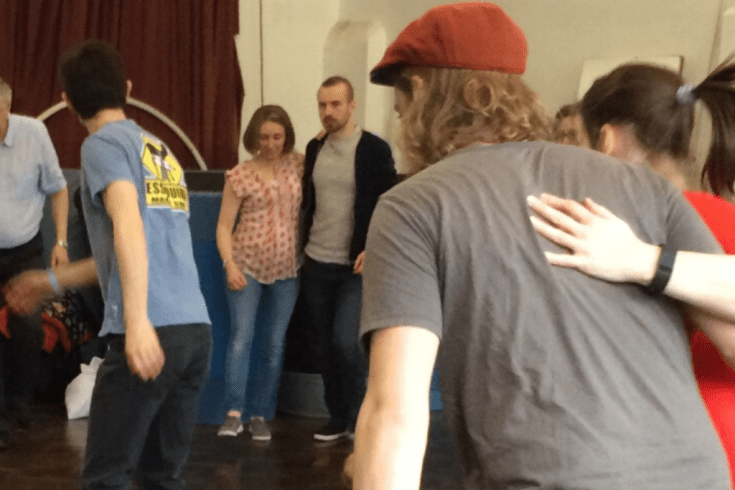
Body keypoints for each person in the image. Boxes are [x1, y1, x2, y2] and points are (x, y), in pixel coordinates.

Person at [350, 3, 734, 489]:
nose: (403, 123)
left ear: (421, 91)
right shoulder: (643, 185)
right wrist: (648, 264)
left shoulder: (413, 205)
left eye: (401, 109)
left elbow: (395, 415)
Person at [553, 59, 735, 485]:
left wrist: (641, 260)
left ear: (607, 139)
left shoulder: (622, 231)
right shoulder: (726, 217)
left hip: (676, 453)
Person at [54, 39, 212, 489]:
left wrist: (138, 321)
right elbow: (130, 251)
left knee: (105, 478)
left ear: (67, 101)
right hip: (194, 333)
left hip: (148, 327)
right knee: (162, 478)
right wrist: (51, 280)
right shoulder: (159, 149)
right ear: (126, 88)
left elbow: (128, 226)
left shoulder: (100, 145)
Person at [300, 76, 396, 441]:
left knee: (346, 342)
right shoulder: (314, 148)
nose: (328, 111)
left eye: (336, 104)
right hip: (316, 261)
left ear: (352, 106)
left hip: (355, 266)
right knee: (324, 346)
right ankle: (337, 417)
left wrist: (373, 247)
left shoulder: (374, 149)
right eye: (322, 105)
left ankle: (359, 419)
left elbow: (388, 203)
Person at [215, 105, 303, 441]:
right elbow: (224, 226)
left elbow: (325, 146)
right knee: (241, 338)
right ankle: (233, 413)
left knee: (274, 344)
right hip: (246, 265)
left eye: (277, 136)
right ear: (254, 137)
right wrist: (230, 264)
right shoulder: (240, 175)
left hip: (287, 269)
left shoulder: (297, 164)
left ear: (286, 137)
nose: (270, 143)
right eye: (264, 137)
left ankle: (260, 414)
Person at [0, 75, 69, 449]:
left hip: (24, 250)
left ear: (7, 108)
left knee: (27, 330)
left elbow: (59, 189)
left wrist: (61, 241)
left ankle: (17, 403)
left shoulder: (34, 133)